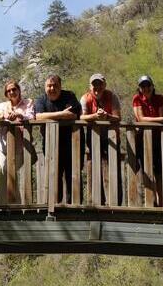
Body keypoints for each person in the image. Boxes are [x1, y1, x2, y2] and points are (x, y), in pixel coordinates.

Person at [34, 74, 82, 203]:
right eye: (49, 85)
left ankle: (75, 206)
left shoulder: (69, 96)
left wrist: (50, 116)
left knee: (73, 174)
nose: (52, 88)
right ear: (45, 87)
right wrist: (62, 114)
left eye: (55, 85)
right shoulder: (41, 100)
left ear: (60, 86)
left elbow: (74, 115)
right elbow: (38, 117)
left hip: (73, 142)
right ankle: (56, 205)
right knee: (54, 175)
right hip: (51, 143)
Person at [80, 73, 121, 205]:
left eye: (100, 84)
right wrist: (95, 116)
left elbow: (118, 117)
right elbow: (81, 117)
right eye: (94, 85)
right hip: (93, 138)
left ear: (104, 85)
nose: (97, 87)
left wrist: (107, 116)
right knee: (93, 170)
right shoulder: (85, 98)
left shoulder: (112, 96)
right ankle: (95, 203)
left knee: (113, 170)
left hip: (112, 139)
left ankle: (115, 203)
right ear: (90, 86)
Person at [132, 75, 163, 206]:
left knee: (161, 172)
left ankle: (162, 202)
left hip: (160, 140)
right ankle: (152, 201)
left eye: (148, 85)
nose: (145, 88)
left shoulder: (159, 98)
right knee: (146, 171)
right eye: (142, 86)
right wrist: (161, 120)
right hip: (143, 141)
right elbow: (141, 118)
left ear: (152, 86)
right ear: (139, 88)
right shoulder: (137, 99)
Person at [0, 80, 35, 198]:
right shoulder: (1, 106)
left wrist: (19, 115)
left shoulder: (28, 102)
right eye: (8, 91)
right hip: (3, 144)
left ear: (19, 90)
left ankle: (9, 204)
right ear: (6, 94)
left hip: (21, 145)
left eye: (14, 89)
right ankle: (8, 204)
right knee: (5, 172)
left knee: (10, 173)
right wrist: (3, 116)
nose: (11, 92)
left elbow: (31, 117)